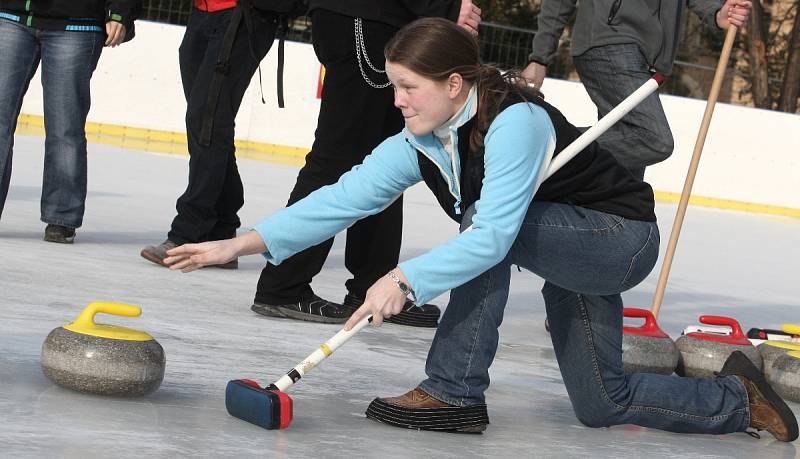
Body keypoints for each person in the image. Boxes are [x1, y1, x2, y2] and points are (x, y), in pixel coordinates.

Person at [163, 18, 797, 440]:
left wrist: (403, 280)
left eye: (409, 87)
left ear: (454, 83)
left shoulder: (515, 121)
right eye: (395, 86)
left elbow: (492, 238)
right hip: (557, 244)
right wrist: (238, 242)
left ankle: (453, 390)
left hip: (616, 241)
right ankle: (738, 399)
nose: (398, 99)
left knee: (482, 229)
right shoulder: (421, 138)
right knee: (602, 403)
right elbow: (342, 198)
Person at [248, 0, 481, 327]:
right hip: (365, 17)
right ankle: (282, 285)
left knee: (384, 164)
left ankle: (370, 285)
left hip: (380, 20)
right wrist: (445, 6)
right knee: (336, 157)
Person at [522, 0, 752, 180]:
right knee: (653, 139)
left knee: (624, 179)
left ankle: (606, 225)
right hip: (609, 42)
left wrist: (716, 12)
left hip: (648, 61)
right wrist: (540, 56)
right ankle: (545, 145)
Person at [140, 0, 280, 268]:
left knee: (208, 120)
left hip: (243, 16)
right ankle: (221, 230)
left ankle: (188, 233)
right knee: (208, 124)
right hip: (202, 13)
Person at [0, 0, 140, 243]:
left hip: (76, 24)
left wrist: (120, 13)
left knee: (65, 125)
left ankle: (61, 217)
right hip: (9, 16)